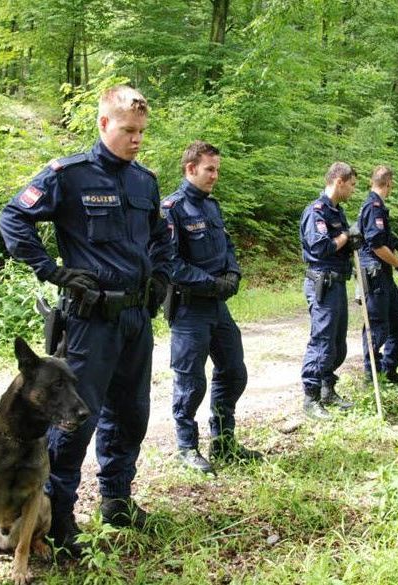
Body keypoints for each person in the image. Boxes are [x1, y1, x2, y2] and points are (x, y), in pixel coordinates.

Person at [0, 85, 173, 555]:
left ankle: (117, 499)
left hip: (136, 318)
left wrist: (159, 275)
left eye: (141, 132)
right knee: (75, 419)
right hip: (90, 322)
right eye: (128, 131)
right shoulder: (68, 175)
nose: (136, 140)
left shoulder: (145, 181)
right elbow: (14, 217)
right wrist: (51, 269)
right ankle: (57, 518)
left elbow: (160, 235)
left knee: (131, 413)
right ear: (103, 124)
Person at [161, 141, 261, 475]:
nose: (215, 176)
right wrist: (210, 283)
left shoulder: (211, 207)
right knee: (191, 382)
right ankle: (187, 448)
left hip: (218, 307)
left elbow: (227, 245)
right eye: (210, 169)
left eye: (217, 169)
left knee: (234, 371)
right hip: (190, 310)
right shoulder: (172, 209)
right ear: (191, 169)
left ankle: (224, 440)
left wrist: (233, 273)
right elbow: (169, 263)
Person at [299, 162, 361, 419]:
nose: (353, 190)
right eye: (352, 185)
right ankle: (311, 397)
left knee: (337, 342)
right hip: (322, 283)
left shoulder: (338, 212)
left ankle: (327, 388)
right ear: (339, 181)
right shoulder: (316, 212)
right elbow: (321, 248)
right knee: (322, 340)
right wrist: (346, 237)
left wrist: (352, 242)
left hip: (337, 282)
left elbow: (340, 245)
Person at [356, 165, 398, 385]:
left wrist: (394, 242)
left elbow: (382, 239)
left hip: (384, 275)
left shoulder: (378, 206)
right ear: (389, 182)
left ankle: (388, 369)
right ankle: (373, 376)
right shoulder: (373, 206)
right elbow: (377, 246)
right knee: (377, 326)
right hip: (374, 274)